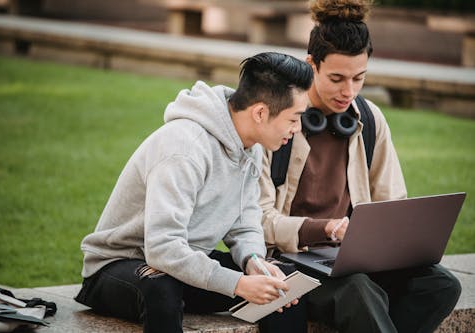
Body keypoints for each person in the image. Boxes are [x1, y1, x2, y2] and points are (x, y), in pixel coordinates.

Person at [258, 1, 462, 333]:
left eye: (359, 78)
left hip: (352, 261)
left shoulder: (369, 119)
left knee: (441, 285)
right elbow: (257, 220)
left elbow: (391, 203)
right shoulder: (278, 120)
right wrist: (325, 228)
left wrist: (390, 242)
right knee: (359, 291)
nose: (349, 91)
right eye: (337, 78)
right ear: (311, 65)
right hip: (289, 261)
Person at [74, 52, 314, 333]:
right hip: (118, 266)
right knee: (161, 287)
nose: (297, 129)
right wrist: (236, 284)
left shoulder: (252, 146)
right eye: (294, 119)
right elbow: (163, 248)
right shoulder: (185, 148)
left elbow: (245, 223)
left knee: (282, 281)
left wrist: (254, 262)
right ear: (260, 113)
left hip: (184, 265)